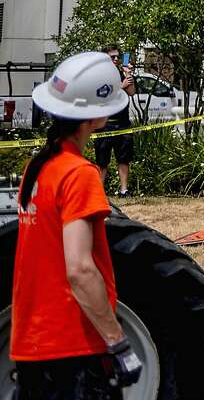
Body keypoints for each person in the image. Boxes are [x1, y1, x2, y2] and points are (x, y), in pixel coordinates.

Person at [13, 51, 143, 399]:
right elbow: (80, 269)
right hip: (73, 347)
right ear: (96, 115)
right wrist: (118, 342)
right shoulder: (79, 174)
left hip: (31, 342)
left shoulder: (37, 168)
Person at [93, 47, 137, 197]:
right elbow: (101, 96)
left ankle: (124, 190)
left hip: (123, 122)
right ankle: (99, 192)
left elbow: (131, 92)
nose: (116, 60)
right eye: (112, 57)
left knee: (124, 158)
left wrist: (128, 74)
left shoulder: (121, 73)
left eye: (118, 57)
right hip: (105, 123)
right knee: (102, 160)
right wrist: (120, 86)